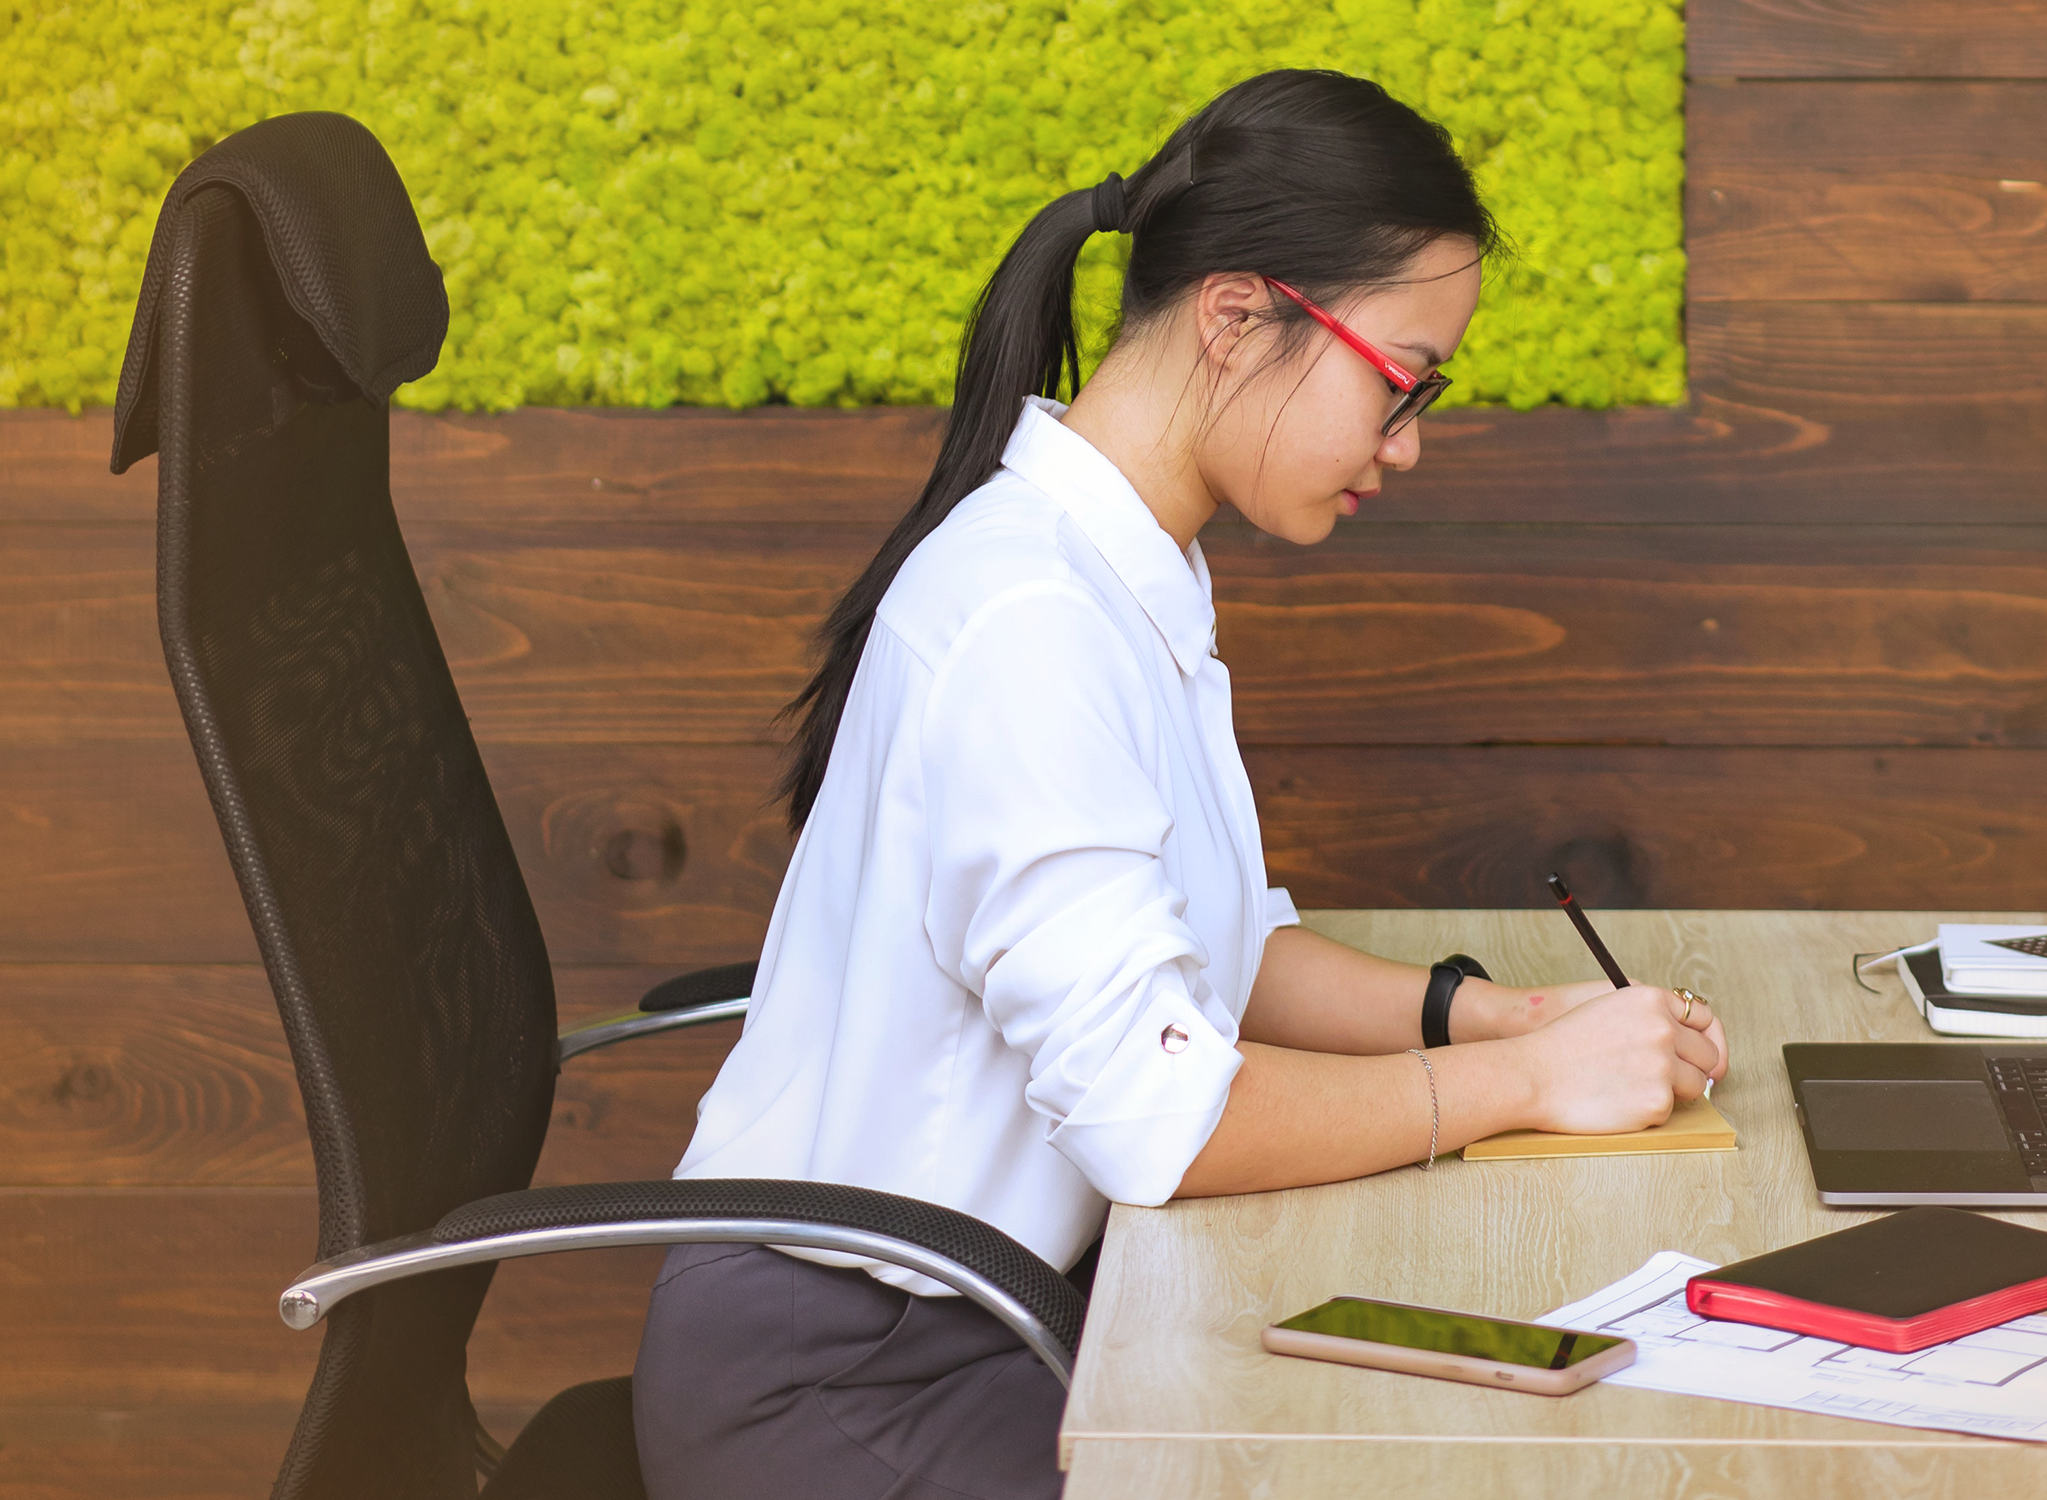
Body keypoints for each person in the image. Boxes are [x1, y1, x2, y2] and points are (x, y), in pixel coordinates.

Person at [633, 68, 1727, 1500]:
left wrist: (1500, 1014)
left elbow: (1224, 949)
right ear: (1234, 318)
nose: (1406, 442)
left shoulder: (1124, 567)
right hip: (850, 1380)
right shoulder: (1033, 617)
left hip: (1011, 1314)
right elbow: (1165, 1117)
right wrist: (1523, 1080)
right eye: (1397, 383)